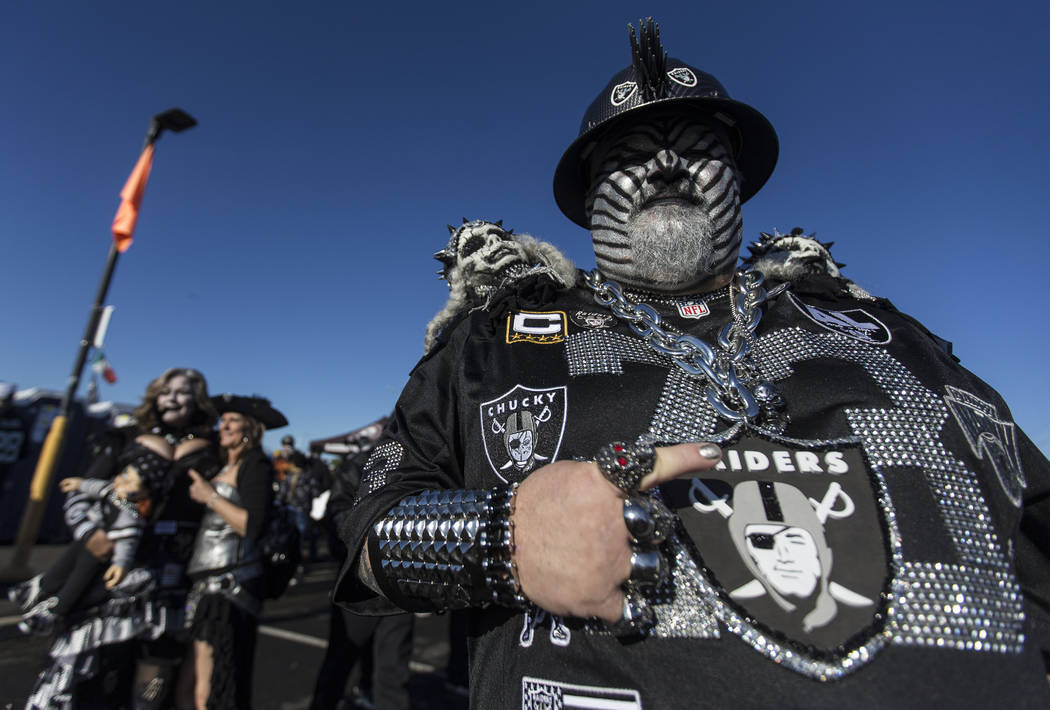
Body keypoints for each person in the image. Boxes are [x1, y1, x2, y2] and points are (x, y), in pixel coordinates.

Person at [332, 18, 1050, 708]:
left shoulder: (878, 330)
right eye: (629, 153)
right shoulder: (496, 340)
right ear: (586, 199)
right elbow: (368, 527)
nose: (665, 165)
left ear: (738, 178)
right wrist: (498, 537)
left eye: (695, 146)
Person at [22, 367, 220, 709]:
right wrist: (92, 534)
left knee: (154, 683)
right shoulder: (125, 437)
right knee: (100, 676)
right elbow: (79, 494)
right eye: (166, 391)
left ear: (198, 400)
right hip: (115, 573)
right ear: (154, 397)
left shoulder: (215, 448)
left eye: (183, 392)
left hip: (176, 579)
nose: (173, 398)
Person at [174, 394, 286, 710]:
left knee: (208, 689)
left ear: (250, 429)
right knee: (187, 683)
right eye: (222, 420)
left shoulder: (257, 465)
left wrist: (210, 497)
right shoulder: (223, 463)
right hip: (201, 585)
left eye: (232, 420)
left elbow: (252, 525)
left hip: (229, 587)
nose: (224, 425)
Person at [13, 445, 173, 635]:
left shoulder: (129, 516)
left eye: (132, 483)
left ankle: (56, 610)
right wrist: (79, 484)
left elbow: (126, 543)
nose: (122, 483)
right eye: (124, 476)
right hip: (88, 535)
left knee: (80, 575)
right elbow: (98, 488)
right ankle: (41, 587)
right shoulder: (113, 492)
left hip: (102, 550)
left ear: (146, 493)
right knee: (67, 562)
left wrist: (120, 564)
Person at [310, 438, 414, 710]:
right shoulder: (359, 464)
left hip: (399, 586)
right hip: (359, 582)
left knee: (392, 672)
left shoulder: (419, 463)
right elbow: (337, 515)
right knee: (340, 662)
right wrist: (375, 538)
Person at [275, 435, 322, 563]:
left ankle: (295, 559)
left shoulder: (290, 475)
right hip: (304, 508)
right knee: (305, 535)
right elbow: (316, 491)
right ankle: (305, 558)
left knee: (294, 535)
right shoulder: (307, 475)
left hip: (291, 508)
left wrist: (279, 503)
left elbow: (282, 493)